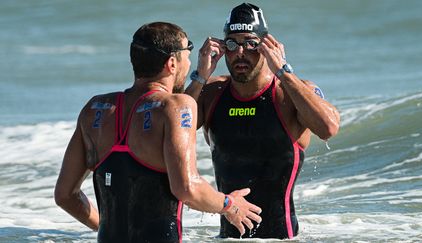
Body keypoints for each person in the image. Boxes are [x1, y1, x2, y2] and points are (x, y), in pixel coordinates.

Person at [54, 22, 262, 243]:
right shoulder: (178, 106)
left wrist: (104, 226)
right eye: (187, 53)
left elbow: (65, 195)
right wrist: (229, 205)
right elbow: (187, 188)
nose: (190, 60)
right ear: (172, 62)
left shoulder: (94, 109)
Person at [185, 3, 340, 239]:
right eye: (231, 43)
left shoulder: (290, 94)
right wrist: (199, 77)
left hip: (281, 238)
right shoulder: (211, 93)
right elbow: (170, 130)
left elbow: (328, 127)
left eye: (250, 43)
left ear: (267, 46)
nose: (240, 53)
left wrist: (284, 71)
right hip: (226, 238)